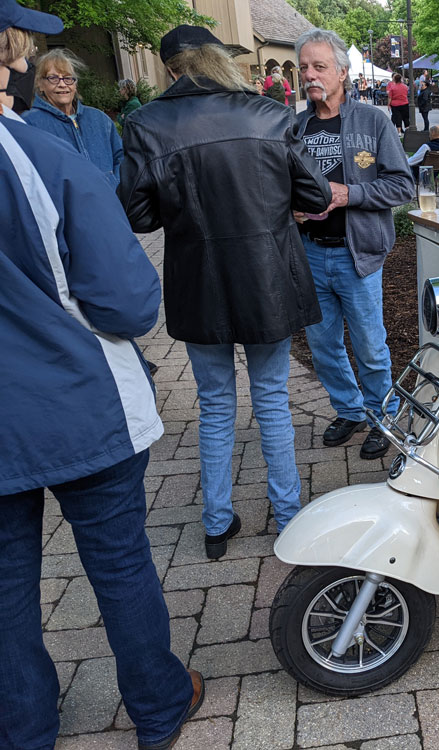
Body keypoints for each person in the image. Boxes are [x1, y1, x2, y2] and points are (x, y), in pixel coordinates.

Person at [0, 5, 203, 749]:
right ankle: (158, 705)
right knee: (119, 563)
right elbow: (129, 301)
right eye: (22, 53)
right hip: (77, 401)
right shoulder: (41, 159)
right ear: (10, 57)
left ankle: (24, 726)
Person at [118, 25, 333, 558]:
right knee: (272, 400)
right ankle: (288, 517)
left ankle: (216, 522)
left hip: (200, 282)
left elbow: (138, 215)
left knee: (215, 405)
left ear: (171, 69)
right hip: (267, 279)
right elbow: (316, 194)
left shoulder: (146, 123)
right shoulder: (269, 115)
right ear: (218, 59)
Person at [294, 28, 414, 459]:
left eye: (319, 66)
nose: (310, 75)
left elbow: (402, 186)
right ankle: (349, 410)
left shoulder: (372, 121)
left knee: (370, 346)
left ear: (342, 72)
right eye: (304, 67)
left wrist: (349, 194)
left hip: (357, 254)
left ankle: (383, 417)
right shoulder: (295, 127)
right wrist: (290, 208)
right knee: (323, 346)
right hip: (310, 252)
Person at [21, 48, 123, 188]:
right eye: (53, 78)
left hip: (108, 200)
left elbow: (121, 159)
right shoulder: (29, 124)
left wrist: (115, 187)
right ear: (40, 84)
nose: (62, 84)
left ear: (75, 84)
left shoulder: (100, 119)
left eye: (68, 78)